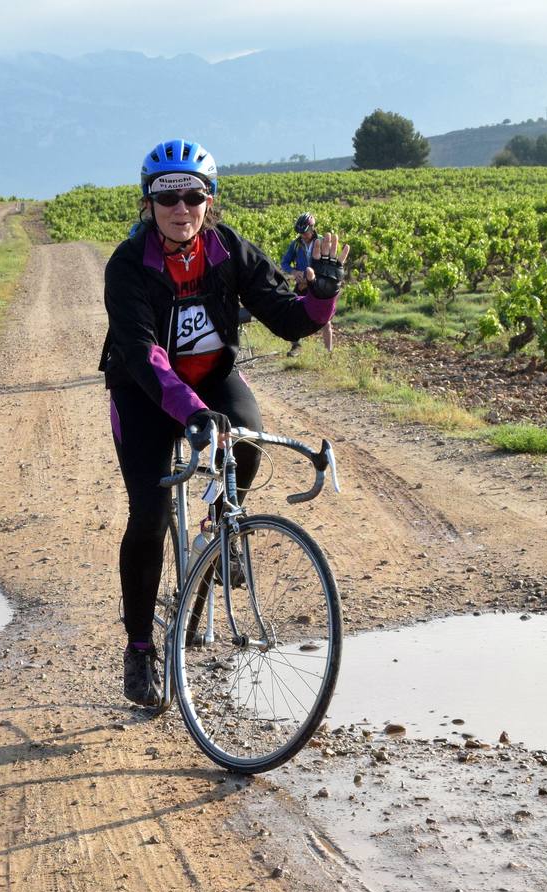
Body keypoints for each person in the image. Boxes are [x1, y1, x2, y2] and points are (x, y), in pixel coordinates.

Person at [99, 139, 349, 707]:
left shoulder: (229, 250)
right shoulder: (127, 265)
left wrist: (323, 298)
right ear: (148, 203)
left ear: (209, 201)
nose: (181, 208)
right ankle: (139, 649)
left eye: (193, 195)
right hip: (144, 392)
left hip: (211, 379)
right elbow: (141, 353)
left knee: (247, 440)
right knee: (149, 514)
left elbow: (285, 317)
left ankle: (219, 539)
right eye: (168, 197)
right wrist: (189, 413)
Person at [280, 213, 335, 355]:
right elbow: (285, 263)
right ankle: (296, 346)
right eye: (300, 233)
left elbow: (329, 265)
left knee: (325, 320)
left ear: (312, 228)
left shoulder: (323, 242)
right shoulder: (296, 244)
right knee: (291, 314)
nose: (303, 235)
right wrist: (293, 272)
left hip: (318, 285)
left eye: (305, 232)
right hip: (302, 285)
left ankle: (329, 352)